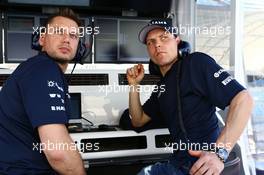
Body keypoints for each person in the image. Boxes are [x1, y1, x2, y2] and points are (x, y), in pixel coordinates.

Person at [126, 19, 253, 175]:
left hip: (204, 165)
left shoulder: (196, 63)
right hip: (178, 164)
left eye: (164, 37)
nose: (157, 44)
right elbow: (137, 120)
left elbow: (243, 99)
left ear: (177, 41)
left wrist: (219, 154)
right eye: (151, 42)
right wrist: (134, 85)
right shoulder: (161, 88)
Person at [0, 8, 86, 175]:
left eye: (73, 36)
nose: (66, 39)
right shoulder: (43, 69)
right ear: (42, 39)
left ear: (79, 47)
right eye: (59, 32)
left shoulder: (37, 68)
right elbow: (58, 153)